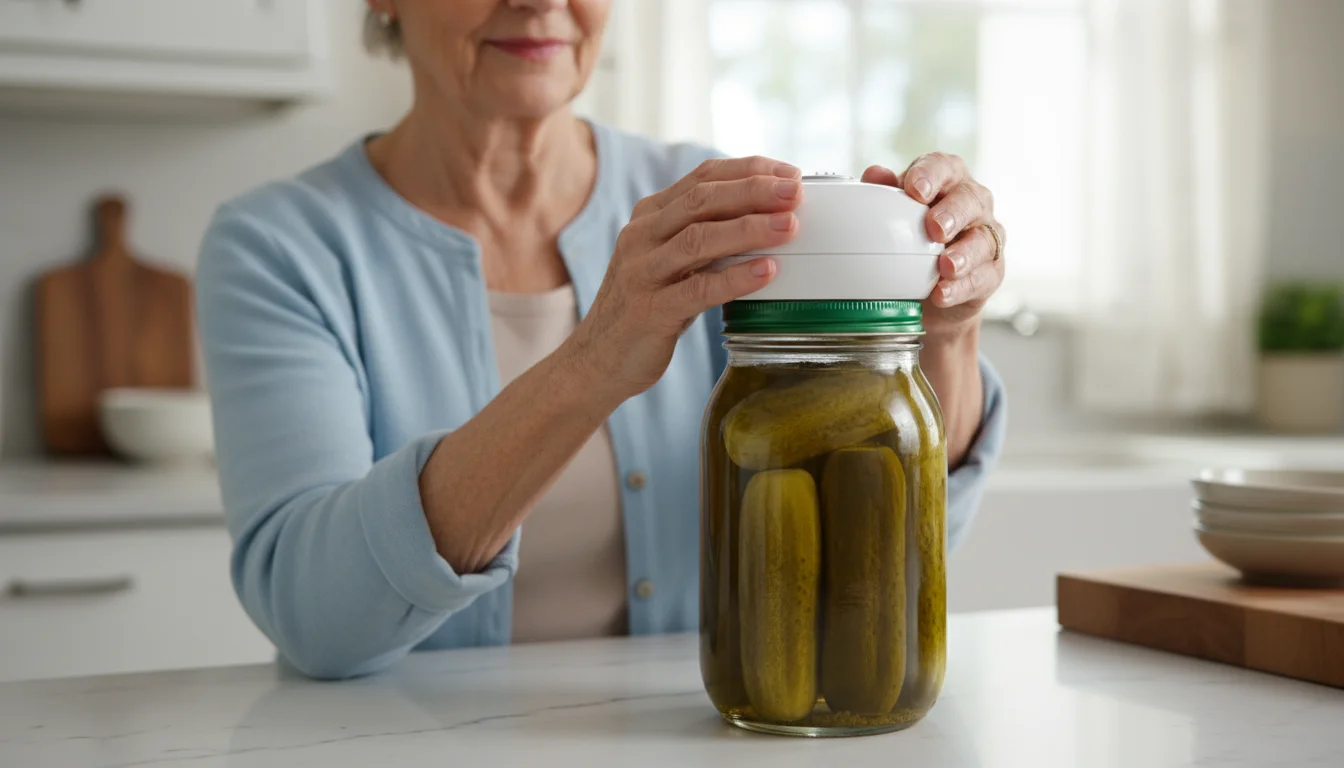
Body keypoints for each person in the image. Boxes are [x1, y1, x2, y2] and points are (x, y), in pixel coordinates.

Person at [196, 0, 1008, 680]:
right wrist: (593, 363)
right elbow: (314, 617)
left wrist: (948, 334)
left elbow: (882, 545)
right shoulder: (279, 247)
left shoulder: (707, 210)